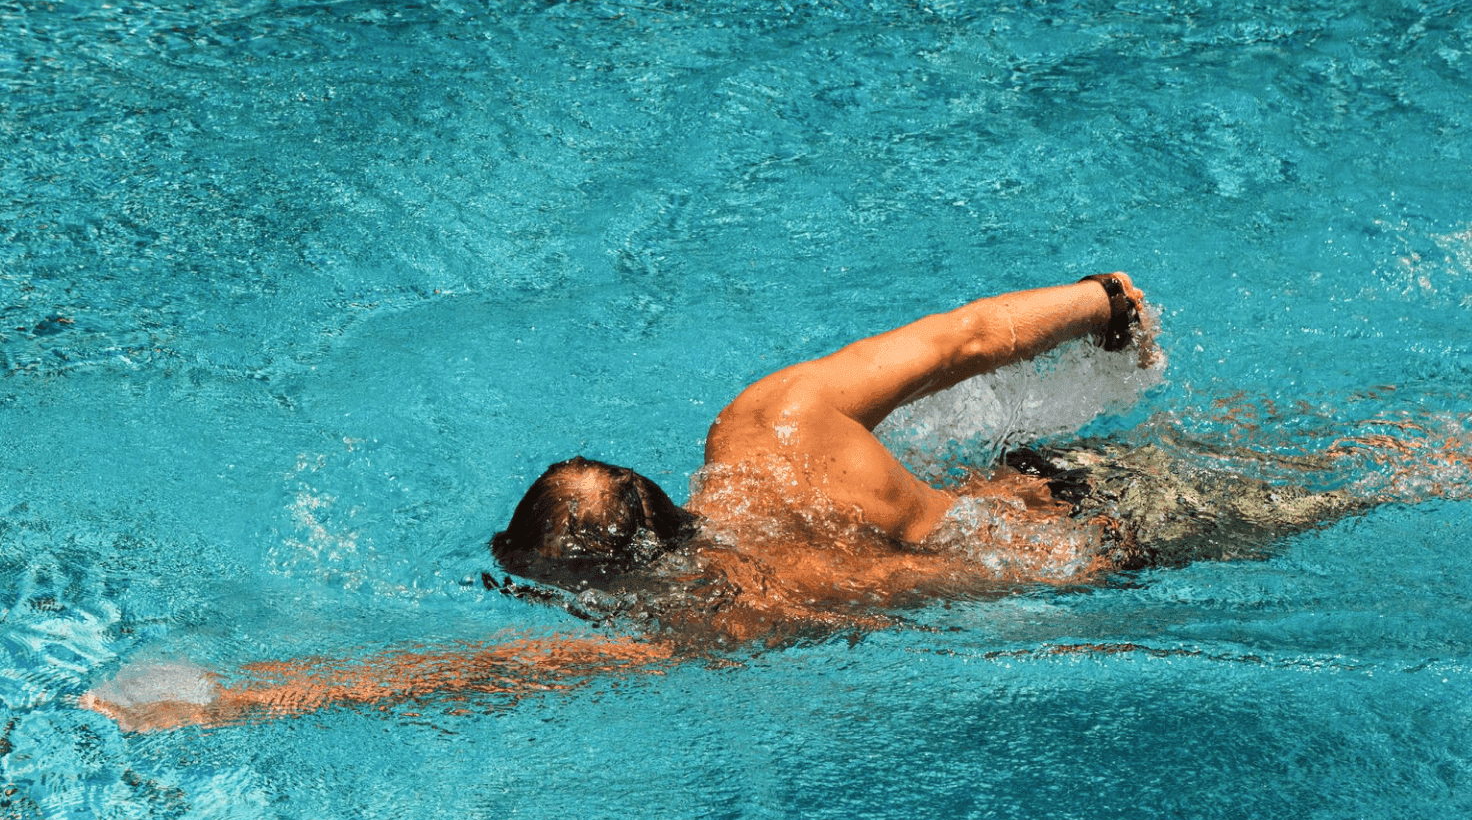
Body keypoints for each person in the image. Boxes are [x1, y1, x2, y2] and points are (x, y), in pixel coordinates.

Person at [81, 274, 1457, 730]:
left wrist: (251, 699)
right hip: (1063, 480)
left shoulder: (737, 615)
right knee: (1355, 445)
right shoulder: (768, 426)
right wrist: (1102, 306)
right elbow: (966, 336)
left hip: (1112, 546)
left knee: (1401, 475)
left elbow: (481, 675)